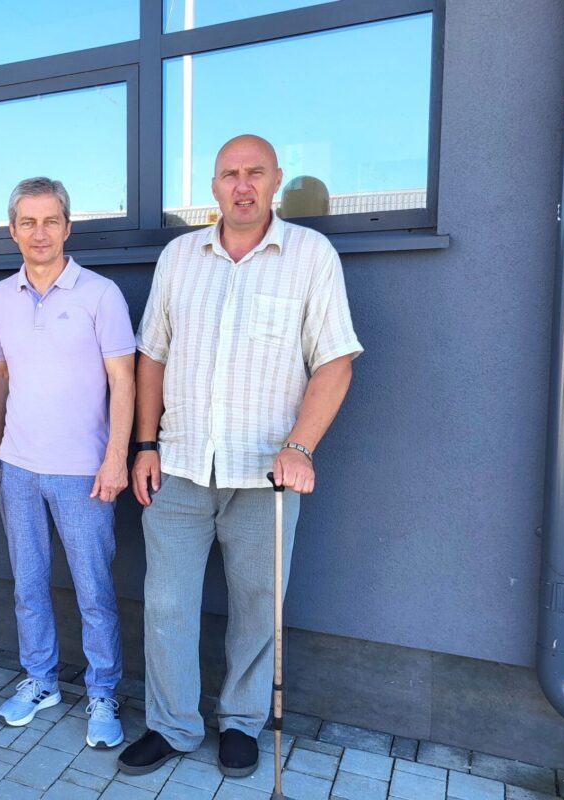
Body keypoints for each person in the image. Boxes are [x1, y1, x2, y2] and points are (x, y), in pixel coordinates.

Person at [118, 135, 363, 777]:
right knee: (166, 605)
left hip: (265, 475)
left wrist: (300, 445)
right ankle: (173, 726)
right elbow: (152, 357)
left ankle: (241, 722)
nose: (243, 185)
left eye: (255, 172)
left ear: (276, 180)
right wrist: (144, 444)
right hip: (178, 464)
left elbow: (335, 360)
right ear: (214, 186)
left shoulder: (310, 255)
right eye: (230, 174)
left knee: (259, 606)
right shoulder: (179, 257)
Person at [0, 178, 135, 748]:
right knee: (28, 585)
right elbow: (1, 378)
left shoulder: (101, 294)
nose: (40, 232)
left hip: (84, 472)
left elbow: (124, 381)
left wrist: (116, 458)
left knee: (94, 591)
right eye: (28, 222)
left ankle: (103, 691)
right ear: (13, 230)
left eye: (51, 221)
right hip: (18, 468)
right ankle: (41, 680)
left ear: (68, 227)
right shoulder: (1, 296)